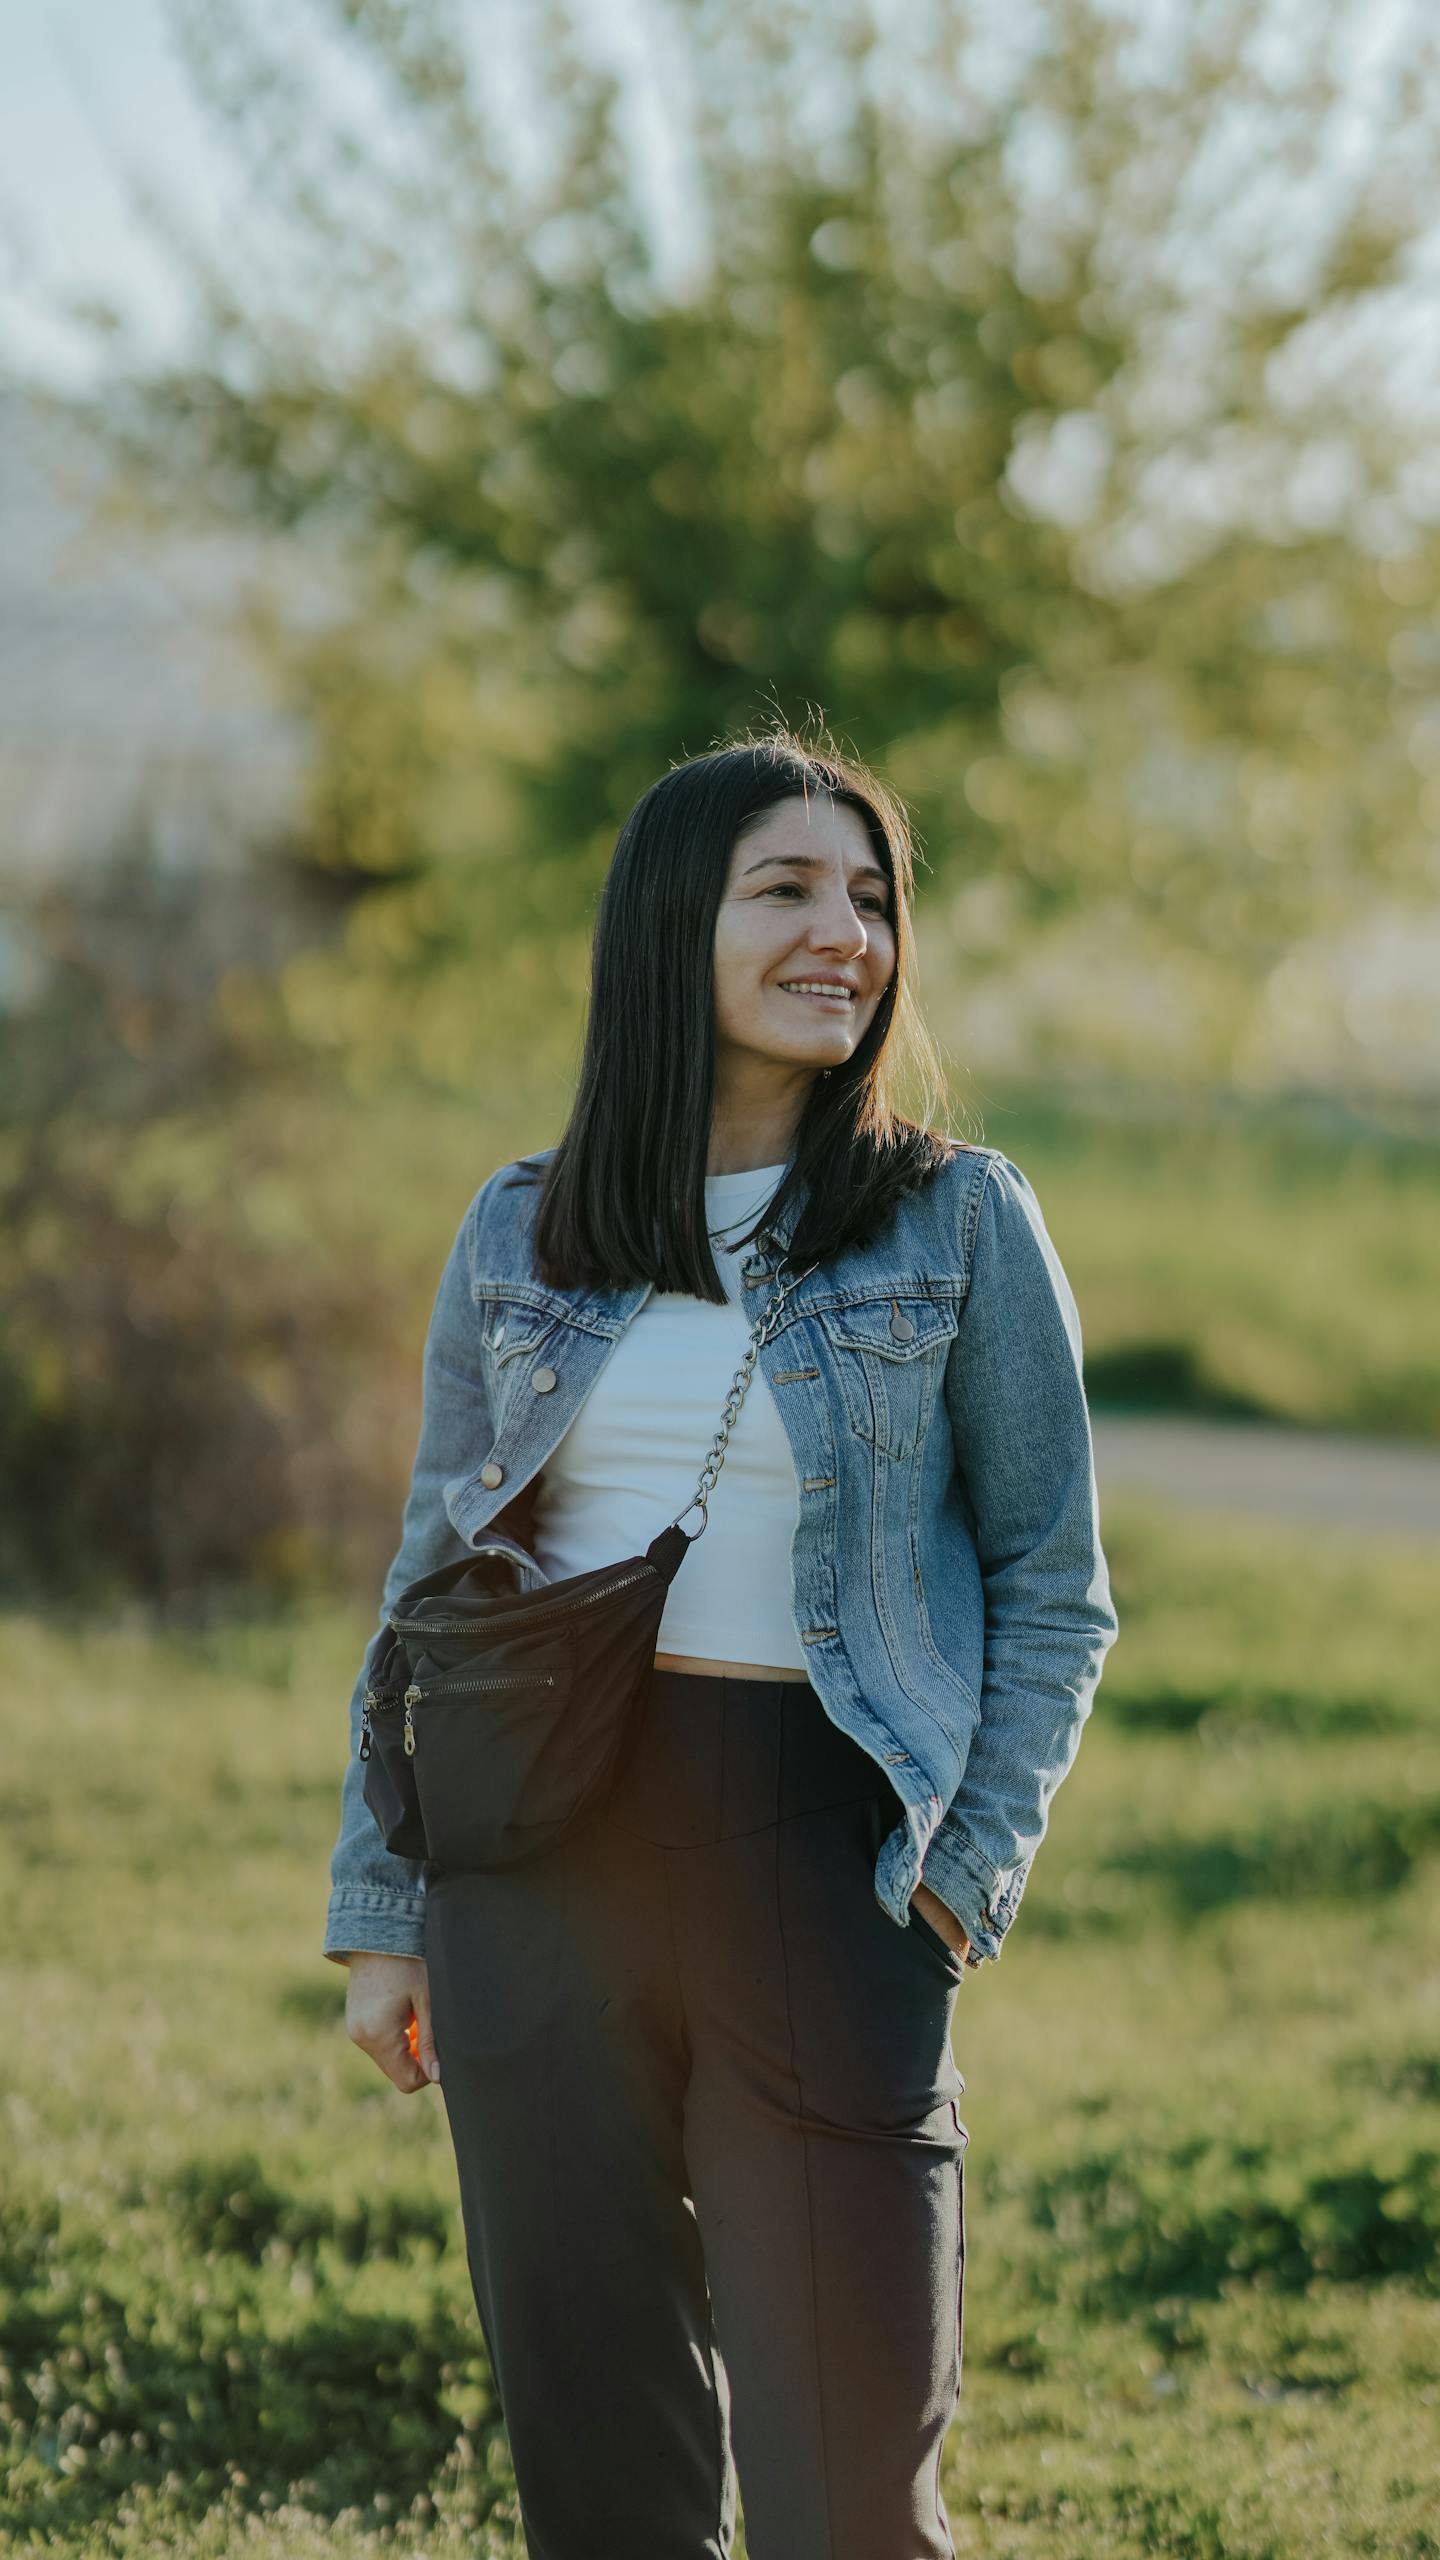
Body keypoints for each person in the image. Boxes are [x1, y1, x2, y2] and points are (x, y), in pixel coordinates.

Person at [323, 730, 1119, 2558]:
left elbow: (1053, 1585)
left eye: (871, 898)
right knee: (604, 2482)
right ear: (673, 924)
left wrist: (955, 1879)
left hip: (822, 1862)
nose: (845, 931)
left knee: (851, 2491)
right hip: (534, 1866)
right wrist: (385, 1909)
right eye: (788, 888)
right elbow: (431, 1597)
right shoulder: (522, 1230)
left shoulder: (958, 1221)